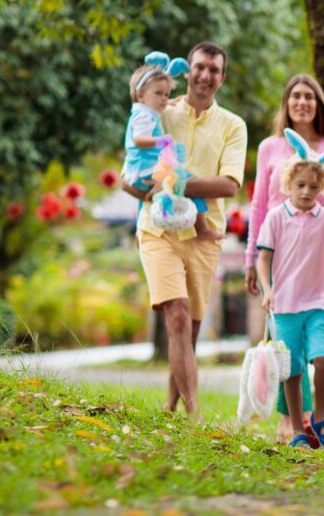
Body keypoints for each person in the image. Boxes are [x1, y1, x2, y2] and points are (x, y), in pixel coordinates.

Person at [123, 42, 246, 417]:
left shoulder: (233, 125)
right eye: (200, 67)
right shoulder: (161, 107)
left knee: (189, 329)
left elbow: (228, 185)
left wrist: (173, 183)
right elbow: (133, 162)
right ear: (187, 71)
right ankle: (194, 413)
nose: (205, 75)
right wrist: (138, 185)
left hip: (204, 235)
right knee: (175, 314)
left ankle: (170, 405)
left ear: (221, 78)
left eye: (214, 70)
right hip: (158, 228)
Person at [245, 74, 324, 443]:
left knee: (310, 350)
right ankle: (293, 422)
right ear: (286, 103)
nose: (302, 102)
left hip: (315, 250)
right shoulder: (270, 147)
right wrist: (251, 259)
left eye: (310, 96)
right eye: (295, 96)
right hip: (279, 253)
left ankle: (307, 420)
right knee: (287, 352)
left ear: (318, 103)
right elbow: (260, 204)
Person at [122, 51, 221, 241]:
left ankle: (141, 228)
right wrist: (160, 141)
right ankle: (202, 228)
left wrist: (171, 102)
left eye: (166, 95)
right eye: (159, 93)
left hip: (141, 170)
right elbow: (138, 140)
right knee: (186, 180)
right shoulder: (144, 116)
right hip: (146, 169)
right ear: (140, 95)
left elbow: (161, 106)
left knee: (160, 191)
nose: (164, 99)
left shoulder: (145, 111)